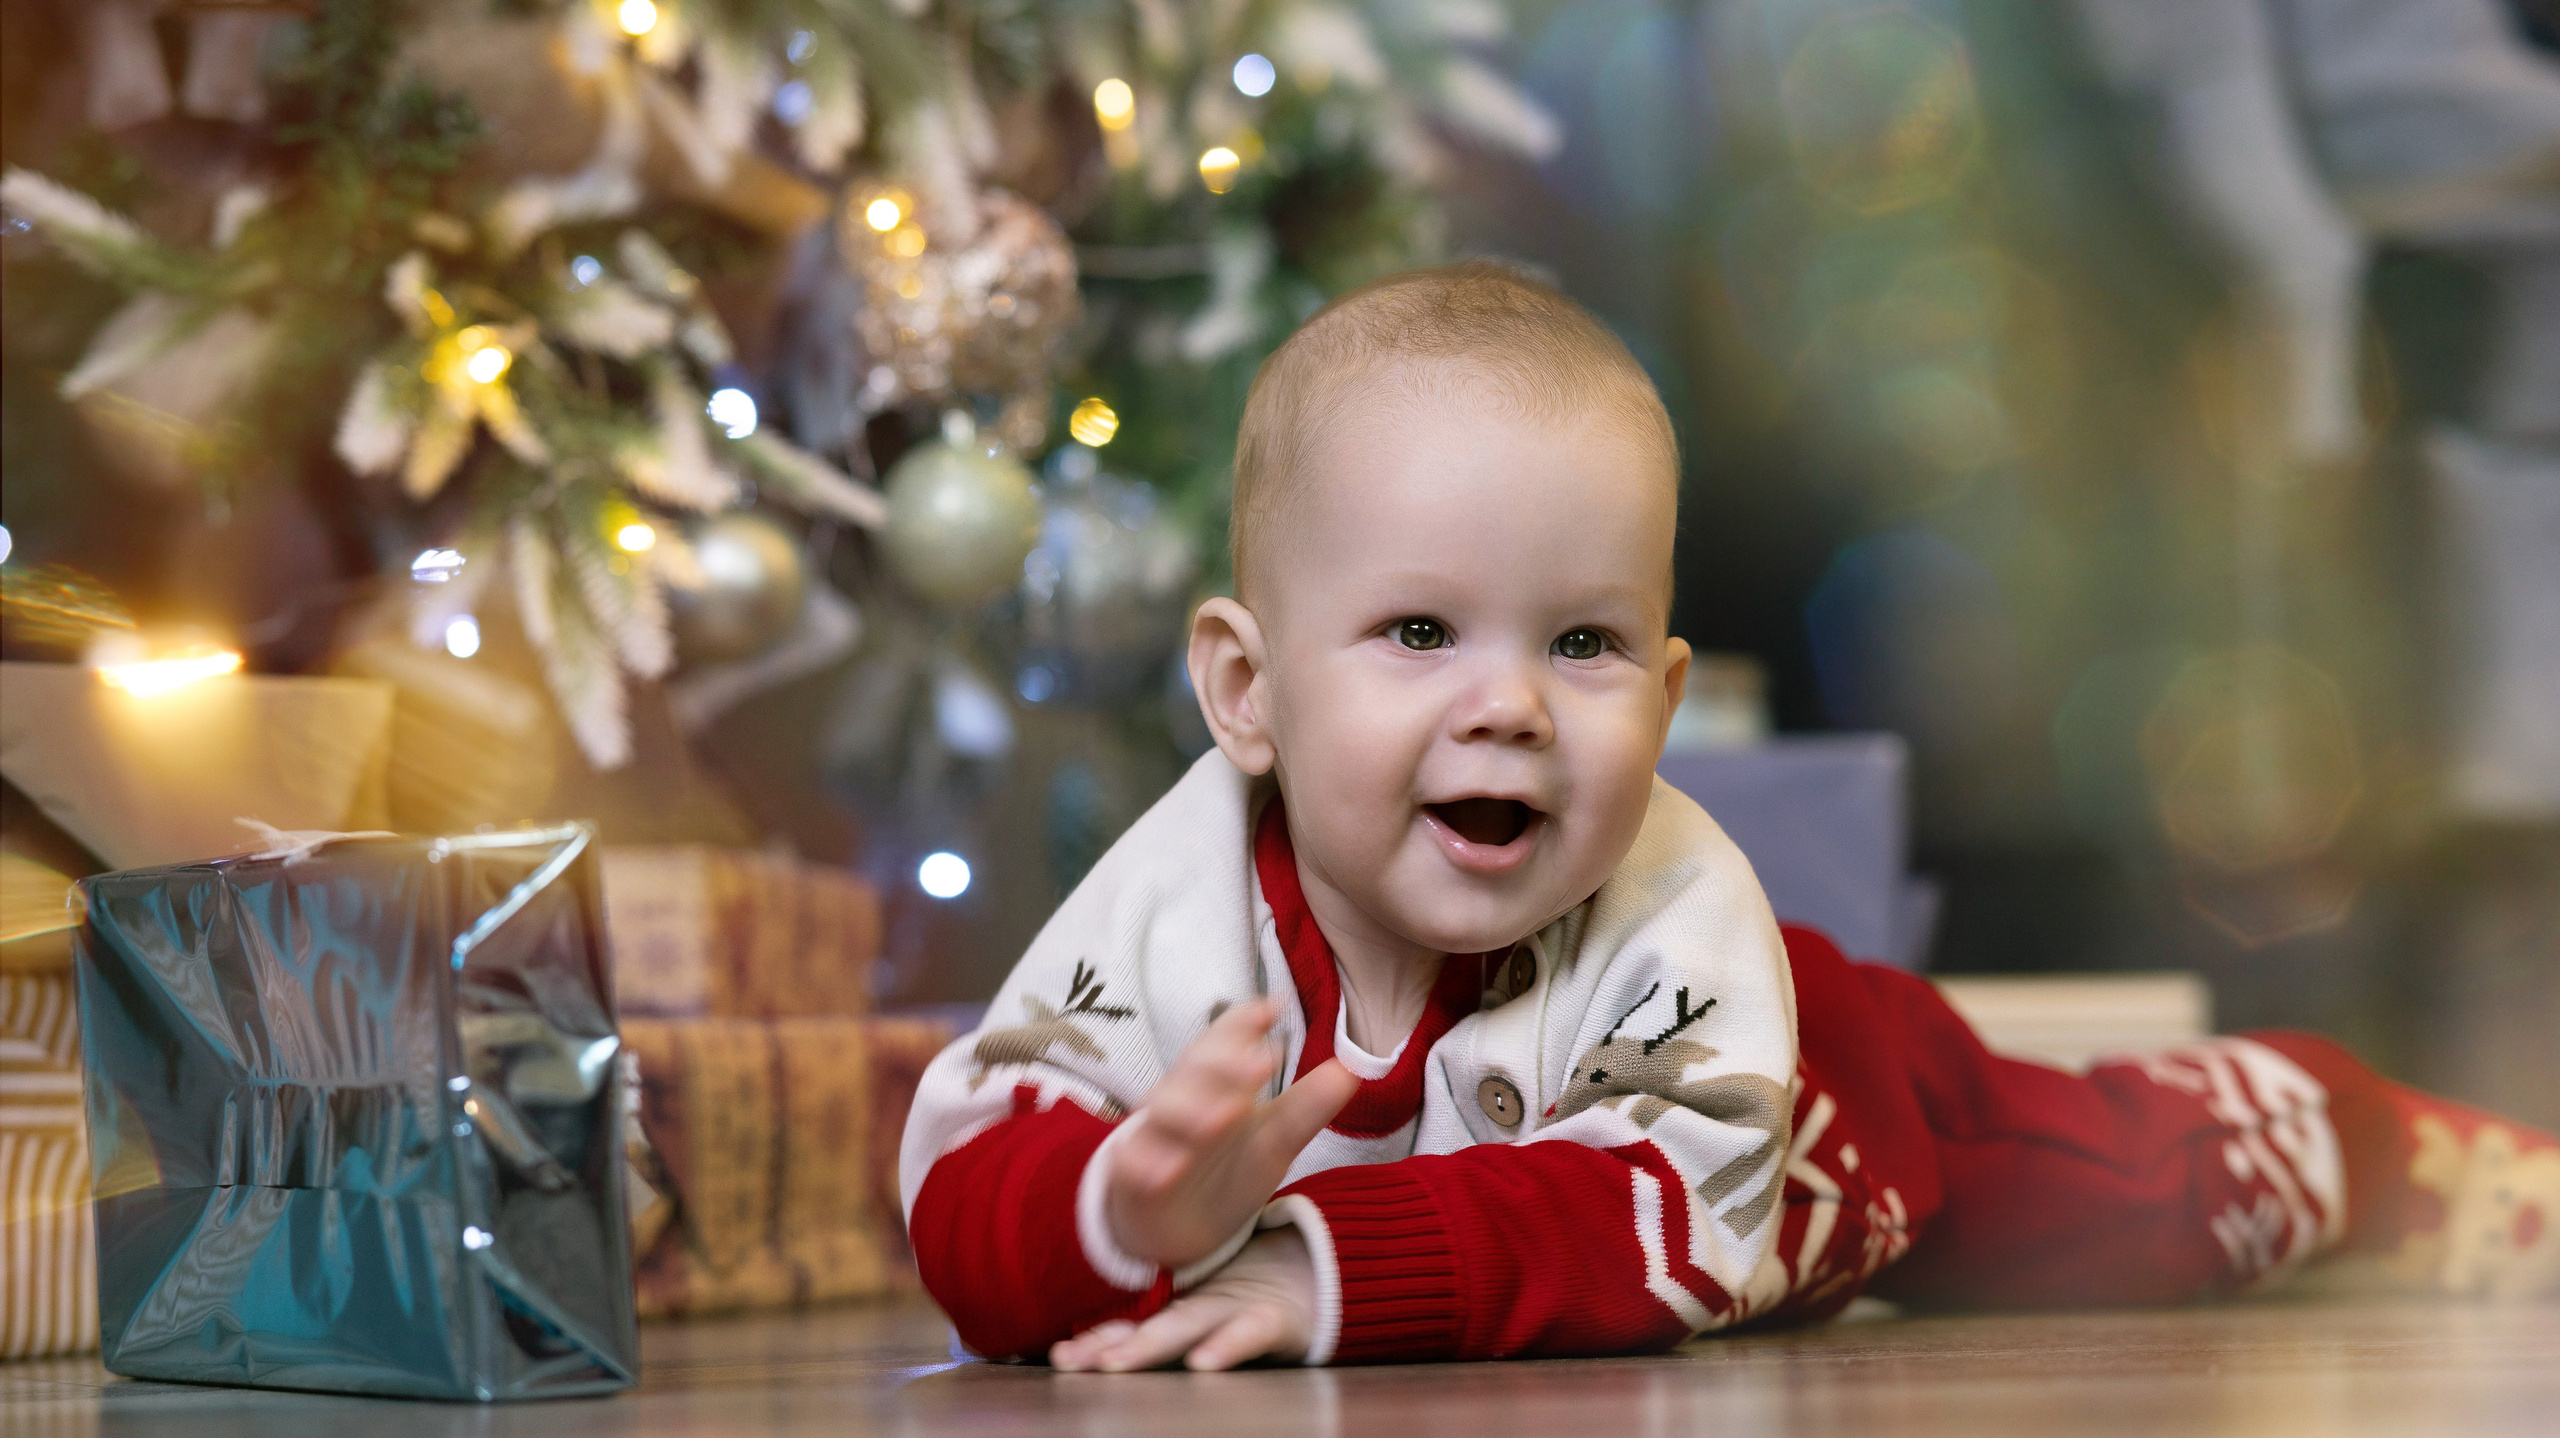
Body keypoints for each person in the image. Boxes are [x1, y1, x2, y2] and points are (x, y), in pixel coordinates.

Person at [897, 263, 2560, 1372]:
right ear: (1246, 690)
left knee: (2131, 1185)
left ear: (1670, 698)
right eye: (1419, 632)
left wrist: (1313, 1266)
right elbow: (974, 1173)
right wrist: (1114, 1210)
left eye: (1585, 642)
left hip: (1833, 1112)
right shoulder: (1179, 900)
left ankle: (2366, 1142)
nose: (1510, 704)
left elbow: (1669, 1219)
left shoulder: (1671, 899)